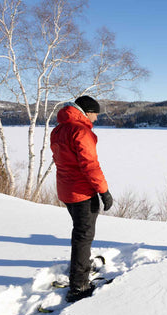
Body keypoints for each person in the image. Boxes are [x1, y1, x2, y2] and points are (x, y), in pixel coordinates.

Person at [50, 95, 113, 302]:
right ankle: (79, 285)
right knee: (83, 236)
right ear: (87, 111)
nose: (96, 119)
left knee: (80, 233)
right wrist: (104, 191)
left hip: (67, 190)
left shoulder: (59, 129)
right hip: (82, 192)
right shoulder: (81, 131)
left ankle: (82, 267)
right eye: (95, 114)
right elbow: (90, 165)